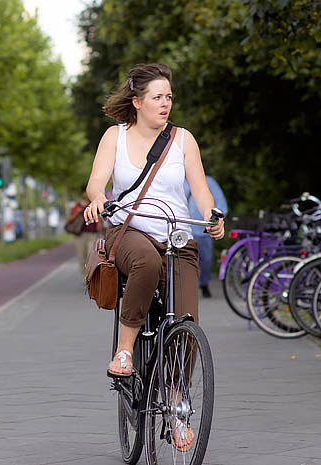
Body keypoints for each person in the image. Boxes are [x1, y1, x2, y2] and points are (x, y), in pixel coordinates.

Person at [83, 63, 224, 451]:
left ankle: (178, 404)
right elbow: (97, 180)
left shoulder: (183, 140)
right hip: (130, 231)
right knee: (146, 264)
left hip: (177, 235)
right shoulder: (116, 136)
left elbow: (200, 190)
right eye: (158, 98)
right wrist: (98, 197)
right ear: (137, 102)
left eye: (169, 97)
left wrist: (212, 215)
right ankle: (125, 350)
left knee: (187, 323)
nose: (166, 104)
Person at [184, 176, 228, 298]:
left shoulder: (209, 182)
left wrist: (216, 221)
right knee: (186, 260)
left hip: (203, 230)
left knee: (206, 259)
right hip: (183, 230)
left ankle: (204, 284)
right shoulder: (178, 180)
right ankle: (189, 288)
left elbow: (221, 203)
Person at [68, 188, 103, 282]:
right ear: (83, 193)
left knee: (90, 255)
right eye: (86, 192)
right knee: (81, 257)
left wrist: (100, 229)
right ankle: (85, 279)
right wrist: (78, 212)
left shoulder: (94, 204)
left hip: (92, 234)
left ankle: (91, 278)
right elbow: (69, 220)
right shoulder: (77, 205)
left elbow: (99, 220)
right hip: (80, 235)